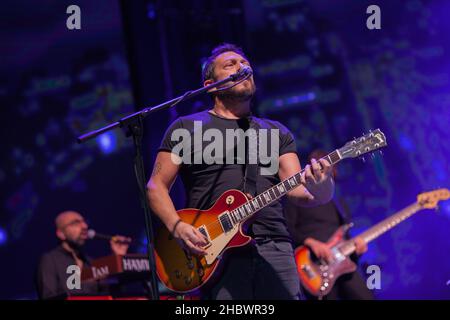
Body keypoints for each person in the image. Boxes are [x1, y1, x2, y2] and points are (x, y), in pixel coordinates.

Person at [147, 43, 335, 300]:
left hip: (275, 246)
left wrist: (322, 185)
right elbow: (156, 186)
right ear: (210, 84)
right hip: (213, 251)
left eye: (245, 64)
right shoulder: (186, 128)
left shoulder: (275, 131)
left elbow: (299, 192)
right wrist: (177, 226)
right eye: (231, 65)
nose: (242, 68)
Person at [284, 149, 374, 300]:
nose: (321, 169)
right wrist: (312, 243)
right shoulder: (297, 197)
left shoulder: (340, 203)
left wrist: (357, 248)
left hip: (342, 264)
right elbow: (287, 229)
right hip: (313, 265)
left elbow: (345, 235)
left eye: (326, 165)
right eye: (316, 165)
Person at [36, 210, 131, 299]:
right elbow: (48, 296)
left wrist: (119, 257)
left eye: (84, 222)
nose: (84, 226)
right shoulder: (50, 260)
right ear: (61, 234)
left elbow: (111, 295)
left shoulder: (91, 262)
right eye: (75, 223)